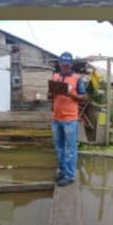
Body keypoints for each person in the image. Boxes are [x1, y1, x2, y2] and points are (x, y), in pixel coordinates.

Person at [49, 52, 87, 187]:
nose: (65, 66)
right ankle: (62, 171)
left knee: (70, 149)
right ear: (60, 64)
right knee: (59, 148)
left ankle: (69, 176)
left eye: (67, 64)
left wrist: (70, 94)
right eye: (63, 64)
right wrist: (51, 93)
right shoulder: (55, 76)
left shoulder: (77, 78)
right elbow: (52, 97)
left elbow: (83, 97)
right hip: (56, 118)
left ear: (71, 64)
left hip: (70, 118)